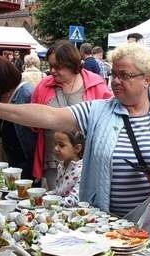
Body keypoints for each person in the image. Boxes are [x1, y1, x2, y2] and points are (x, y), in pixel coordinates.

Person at [0, 42, 150, 220]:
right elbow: (50, 116)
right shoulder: (97, 111)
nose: (116, 81)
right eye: (114, 74)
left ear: (147, 79)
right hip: (105, 220)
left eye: (125, 75)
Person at [31, 40, 111, 190]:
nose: (52, 70)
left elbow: (108, 122)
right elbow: (34, 122)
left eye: (58, 66)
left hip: (86, 162)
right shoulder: (43, 85)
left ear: (72, 64)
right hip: (53, 159)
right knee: (55, 203)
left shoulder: (96, 84)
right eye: (50, 66)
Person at [0, 55, 36, 179]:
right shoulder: (0, 93)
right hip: (6, 153)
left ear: (3, 78)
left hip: (25, 157)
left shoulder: (26, 93)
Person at [48, 130, 84, 207]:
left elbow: (75, 198)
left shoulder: (83, 170)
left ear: (77, 148)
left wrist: (50, 203)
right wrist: (45, 195)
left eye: (61, 145)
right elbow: (60, 192)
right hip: (59, 211)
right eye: (55, 144)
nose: (56, 148)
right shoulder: (61, 165)